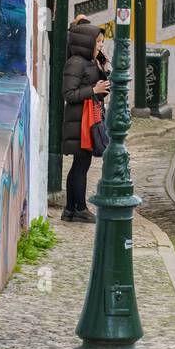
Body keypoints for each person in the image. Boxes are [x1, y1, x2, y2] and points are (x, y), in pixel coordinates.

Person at [62, 16, 110, 223]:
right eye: (98, 42)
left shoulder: (90, 61)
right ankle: (79, 208)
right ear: (87, 42)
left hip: (86, 119)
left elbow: (98, 90)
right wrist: (93, 89)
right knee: (81, 166)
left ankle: (70, 209)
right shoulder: (75, 63)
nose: (100, 46)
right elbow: (69, 94)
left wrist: (102, 73)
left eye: (101, 42)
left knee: (79, 166)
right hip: (80, 122)